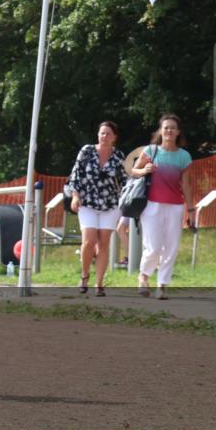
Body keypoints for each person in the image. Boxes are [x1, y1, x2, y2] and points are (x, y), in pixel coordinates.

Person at [131, 114, 193, 300]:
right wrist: (144, 170)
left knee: (171, 247)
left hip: (175, 206)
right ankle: (143, 276)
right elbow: (134, 171)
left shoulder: (184, 156)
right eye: (166, 127)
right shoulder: (150, 151)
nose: (169, 130)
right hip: (152, 205)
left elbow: (187, 184)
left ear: (178, 132)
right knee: (154, 246)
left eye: (173, 127)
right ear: (160, 130)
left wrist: (191, 210)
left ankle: (162, 284)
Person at [67, 121, 127, 296]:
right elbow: (75, 174)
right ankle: (84, 274)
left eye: (108, 134)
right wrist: (75, 196)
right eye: (102, 133)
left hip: (110, 204)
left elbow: (124, 181)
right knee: (89, 241)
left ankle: (99, 283)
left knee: (103, 244)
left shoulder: (118, 156)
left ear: (114, 137)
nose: (104, 137)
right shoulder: (86, 151)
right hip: (87, 202)